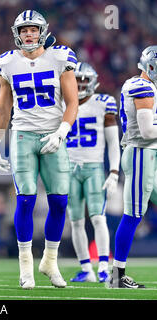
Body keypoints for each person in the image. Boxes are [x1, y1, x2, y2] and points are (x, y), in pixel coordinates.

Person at [0, 10, 79, 289]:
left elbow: (73, 102)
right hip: (23, 136)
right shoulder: (8, 63)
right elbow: (4, 107)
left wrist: (62, 132)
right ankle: (25, 266)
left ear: (42, 31)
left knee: (60, 201)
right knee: (25, 200)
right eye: (24, 30)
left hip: (54, 135)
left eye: (33, 30)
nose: (29, 34)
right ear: (17, 33)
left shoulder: (60, 58)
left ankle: (50, 261)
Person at [66, 62, 120, 283]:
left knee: (99, 218)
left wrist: (114, 171)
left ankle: (104, 267)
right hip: (68, 169)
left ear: (92, 82)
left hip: (94, 167)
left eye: (83, 80)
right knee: (76, 221)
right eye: (76, 79)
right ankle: (86, 269)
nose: (79, 84)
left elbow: (113, 141)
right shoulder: (63, 103)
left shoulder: (103, 103)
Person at [108, 46, 157, 289]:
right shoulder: (143, 87)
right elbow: (148, 132)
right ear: (150, 67)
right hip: (140, 152)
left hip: (149, 154)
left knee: (134, 214)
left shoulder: (146, 86)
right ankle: (117, 275)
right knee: (133, 215)